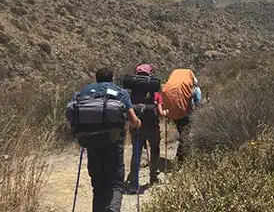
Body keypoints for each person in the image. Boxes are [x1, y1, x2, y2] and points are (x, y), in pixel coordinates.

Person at [73, 67, 141, 212]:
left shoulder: (84, 92)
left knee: (98, 185)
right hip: (113, 144)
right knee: (116, 184)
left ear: (96, 78)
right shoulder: (120, 93)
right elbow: (133, 121)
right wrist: (138, 123)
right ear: (112, 78)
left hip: (91, 143)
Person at [126, 64, 168, 193]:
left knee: (136, 153)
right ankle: (153, 177)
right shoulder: (155, 92)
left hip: (136, 126)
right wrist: (165, 112)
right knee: (154, 150)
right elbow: (161, 113)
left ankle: (133, 183)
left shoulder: (131, 92)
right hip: (152, 126)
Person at [174, 73, 202, 163]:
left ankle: (180, 155)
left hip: (177, 114)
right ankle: (182, 157)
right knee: (185, 134)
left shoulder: (179, 90)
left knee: (182, 133)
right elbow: (198, 101)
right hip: (188, 114)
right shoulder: (195, 89)